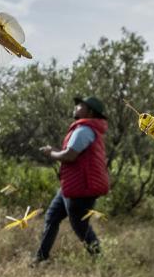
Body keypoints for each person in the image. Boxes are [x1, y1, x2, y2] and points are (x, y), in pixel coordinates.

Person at [35, 96, 109, 263]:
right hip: (71, 186)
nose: (76, 107)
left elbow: (69, 156)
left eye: (80, 105)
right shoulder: (86, 129)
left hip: (80, 189)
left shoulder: (84, 130)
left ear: (90, 112)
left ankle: (102, 263)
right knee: (52, 217)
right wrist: (55, 152)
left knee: (81, 228)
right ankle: (40, 259)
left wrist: (50, 153)